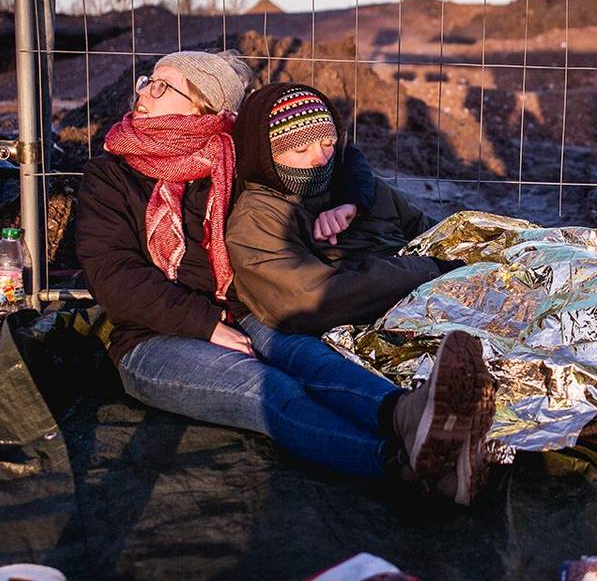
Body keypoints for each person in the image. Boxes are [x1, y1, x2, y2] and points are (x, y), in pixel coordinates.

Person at [76, 52, 495, 505]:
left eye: (162, 85)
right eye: (147, 82)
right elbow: (113, 276)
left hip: (243, 312)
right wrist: (204, 323)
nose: (142, 92)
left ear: (204, 105)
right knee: (269, 390)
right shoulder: (111, 174)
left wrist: (348, 200)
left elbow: (339, 154)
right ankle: (403, 466)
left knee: (313, 359)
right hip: (153, 337)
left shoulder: (233, 152)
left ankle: (409, 414)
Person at [226, 83, 460, 335]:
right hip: (365, 331)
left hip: (433, 301)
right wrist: (427, 270)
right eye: (301, 149)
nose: (320, 158)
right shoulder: (258, 218)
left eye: (327, 143)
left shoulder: (361, 189)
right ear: (265, 154)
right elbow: (308, 301)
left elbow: (432, 232)